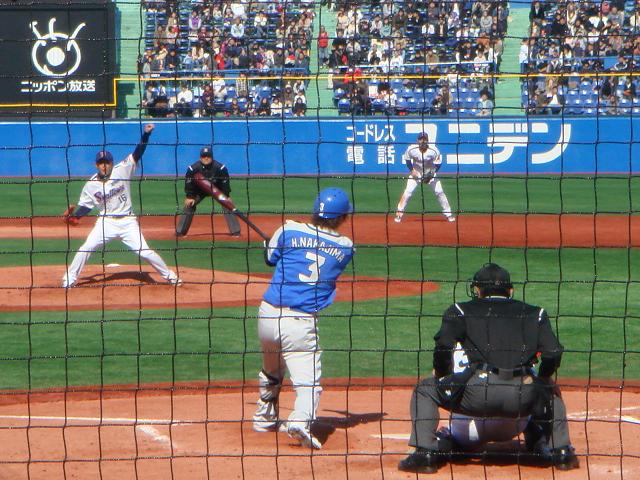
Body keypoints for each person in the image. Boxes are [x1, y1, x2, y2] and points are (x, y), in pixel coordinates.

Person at [398, 263, 580, 474]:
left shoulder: (460, 310)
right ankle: (562, 452)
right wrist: (544, 379)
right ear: (510, 290)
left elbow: (443, 345)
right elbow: (553, 352)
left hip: (477, 394)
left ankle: (425, 454)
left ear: (477, 289)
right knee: (550, 391)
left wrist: (442, 374)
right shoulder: (535, 313)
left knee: (424, 389)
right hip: (522, 395)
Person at [252, 188, 355, 450]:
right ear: (342, 217)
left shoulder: (288, 229)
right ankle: (300, 421)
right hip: (299, 322)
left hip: (268, 315)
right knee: (308, 383)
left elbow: (270, 259)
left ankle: (263, 420)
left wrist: (271, 245)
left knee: (271, 371)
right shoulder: (345, 247)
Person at [62, 124, 181, 288]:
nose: (104, 165)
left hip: (128, 221)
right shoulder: (91, 185)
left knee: (144, 252)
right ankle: (69, 278)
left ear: (112, 163)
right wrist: (75, 216)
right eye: (101, 163)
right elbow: (86, 206)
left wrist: (146, 135)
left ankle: (171, 277)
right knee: (86, 247)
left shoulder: (122, 170)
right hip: (106, 223)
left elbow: (137, 153)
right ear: (96, 165)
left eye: (107, 162)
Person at [176, 147, 241, 237]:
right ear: (200, 158)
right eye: (203, 156)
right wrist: (190, 197)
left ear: (212, 157)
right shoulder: (193, 169)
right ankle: (180, 232)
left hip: (216, 190)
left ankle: (235, 231)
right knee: (189, 204)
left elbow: (225, 183)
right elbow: (189, 184)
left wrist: (226, 196)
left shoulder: (220, 168)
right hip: (199, 191)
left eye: (208, 156)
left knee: (227, 204)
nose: (206, 158)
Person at [394, 132, 455, 223]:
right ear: (417, 140)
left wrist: (431, 174)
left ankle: (448, 214)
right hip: (416, 173)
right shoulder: (411, 149)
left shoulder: (434, 150)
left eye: (425, 139)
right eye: (421, 139)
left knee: (439, 191)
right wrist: (412, 170)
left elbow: (438, 164)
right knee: (408, 192)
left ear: (427, 140)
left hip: (430, 173)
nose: (423, 141)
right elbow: (407, 159)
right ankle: (399, 214)